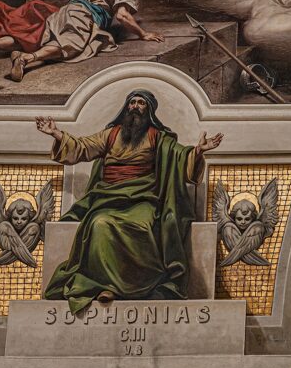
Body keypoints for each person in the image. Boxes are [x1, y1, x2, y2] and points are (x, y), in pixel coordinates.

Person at [39, 90, 224, 314]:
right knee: (99, 224)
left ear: (149, 110)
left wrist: (199, 150)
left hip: (143, 199)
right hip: (108, 199)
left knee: (143, 226)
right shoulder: (110, 135)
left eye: (141, 103)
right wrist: (56, 133)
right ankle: (105, 285)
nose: (136, 106)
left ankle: (140, 284)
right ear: (127, 107)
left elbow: (180, 157)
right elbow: (82, 147)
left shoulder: (157, 137)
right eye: (133, 102)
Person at [7, 0, 162, 82]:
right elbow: (122, 15)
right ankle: (26, 58)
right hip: (84, 17)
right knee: (69, 46)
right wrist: (143, 34)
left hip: (66, 11)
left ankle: (9, 50)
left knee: (43, 38)